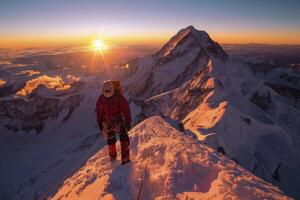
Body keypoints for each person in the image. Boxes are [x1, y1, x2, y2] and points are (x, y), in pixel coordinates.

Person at [96, 80, 132, 164]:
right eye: (106, 92)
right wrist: (99, 122)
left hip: (115, 120)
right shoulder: (102, 99)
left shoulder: (116, 97)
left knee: (122, 137)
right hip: (110, 121)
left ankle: (123, 157)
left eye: (109, 91)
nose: (108, 94)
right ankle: (116, 157)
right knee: (112, 138)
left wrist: (127, 122)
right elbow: (98, 112)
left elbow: (126, 110)